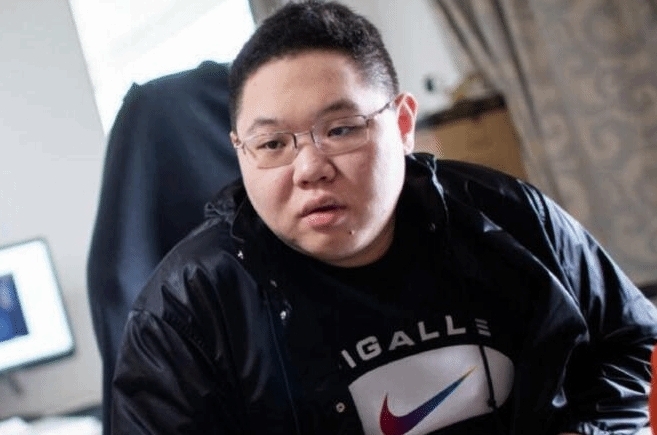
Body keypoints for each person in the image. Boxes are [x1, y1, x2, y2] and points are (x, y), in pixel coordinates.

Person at [110, 2, 657, 434]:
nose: (310, 168)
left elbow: (632, 342)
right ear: (240, 153)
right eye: (273, 143)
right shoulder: (188, 312)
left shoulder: (509, 218)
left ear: (402, 124)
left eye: (340, 129)